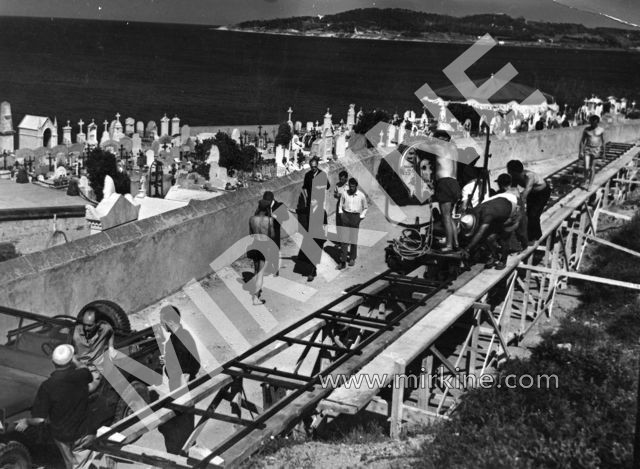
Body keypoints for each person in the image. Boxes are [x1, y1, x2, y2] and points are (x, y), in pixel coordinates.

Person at [16, 344, 96, 469]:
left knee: (70, 463)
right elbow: (85, 369)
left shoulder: (47, 386)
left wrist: (26, 421)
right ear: (70, 361)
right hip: (83, 432)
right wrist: (75, 360)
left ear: (53, 362)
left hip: (62, 436)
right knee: (81, 465)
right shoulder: (81, 376)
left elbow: (40, 420)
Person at [157, 305, 201, 455]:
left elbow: (185, 373)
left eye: (162, 323)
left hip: (181, 393)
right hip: (188, 392)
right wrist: (168, 360)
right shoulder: (186, 335)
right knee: (185, 433)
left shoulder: (175, 343)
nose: (162, 326)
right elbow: (194, 363)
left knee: (176, 437)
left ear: (169, 322)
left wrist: (180, 399)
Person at [459, 176, 521, 270]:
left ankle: (503, 260)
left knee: (504, 237)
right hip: (499, 208)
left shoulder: (487, 214)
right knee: (489, 238)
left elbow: (480, 232)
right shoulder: (474, 211)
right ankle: (494, 255)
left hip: (512, 211)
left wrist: (467, 248)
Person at [507, 159, 551, 242]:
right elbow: (513, 190)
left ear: (515, 171)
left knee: (534, 215)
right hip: (532, 193)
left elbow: (525, 193)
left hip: (542, 193)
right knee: (529, 214)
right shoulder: (515, 176)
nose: (509, 173)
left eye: (510, 171)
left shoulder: (529, 176)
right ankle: (531, 234)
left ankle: (535, 237)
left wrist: (517, 209)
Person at [432, 130, 461, 253]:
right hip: (454, 183)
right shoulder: (453, 148)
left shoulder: (439, 147)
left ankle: (449, 245)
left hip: (444, 183)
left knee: (445, 217)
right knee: (449, 217)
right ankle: (455, 243)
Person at [73, 308, 115, 393]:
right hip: (79, 365)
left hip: (95, 367)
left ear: (98, 323)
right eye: (84, 324)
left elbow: (111, 332)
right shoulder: (76, 331)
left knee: (88, 389)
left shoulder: (105, 328)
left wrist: (111, 347)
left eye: (89, 325)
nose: (86, 328)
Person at [248, 199, 277, 305]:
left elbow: (251, 234)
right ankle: (256, 298)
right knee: (260, 274)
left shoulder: (252, 219)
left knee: (256, 271)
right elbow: (272, 235)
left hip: (255, 245)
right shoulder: (269, 220)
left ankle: (257, 289)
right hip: (265, 246)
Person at [337, 178, 368, 269]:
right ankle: (343, 261)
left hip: (355, 217)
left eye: (353, 186)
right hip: (345, 216)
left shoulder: (361, 195)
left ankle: (352, 258)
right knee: (344, 240)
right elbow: (340, 204)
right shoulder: (344, 193)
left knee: (353, 239)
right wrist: (341, 214)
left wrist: (361, 217)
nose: (351, 188)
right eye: (350, 186)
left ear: (356, 186)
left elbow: (365, 207)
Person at [299, 196, 327, 282]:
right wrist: (287, 209)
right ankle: (313, 270)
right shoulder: (309, 209)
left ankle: (311, 273)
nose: (311, 202)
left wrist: (325, 235)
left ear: (317, 201)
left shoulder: (322, 211)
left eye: (313, 200)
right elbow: (298, 211)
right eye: (310, 200)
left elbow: (325, 224)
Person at [260, 191, 288, 276]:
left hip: (275, 232)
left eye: (267, 201)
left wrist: (277, 217)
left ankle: (276, 269)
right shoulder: (265, 206)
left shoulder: (280, 206)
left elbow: (286, 217)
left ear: (272, 200)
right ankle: (268, 268)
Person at [579, 115, 605, 187]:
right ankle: (585, 179)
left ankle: (590, 184)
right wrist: (580, 151)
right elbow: (582, 141)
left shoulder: (601, 130)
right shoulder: (587, 129)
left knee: (592, 168)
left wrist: (604, 153)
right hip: (587, 149)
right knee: (586, 167)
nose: (593, 124)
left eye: (595, 122)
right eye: (591, 122)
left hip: (596, 150)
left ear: (597, 122)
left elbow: (603, 141)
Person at [333, 170, 349, 252]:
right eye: (340, 179)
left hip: (346, 207)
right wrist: (337, 195)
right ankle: (339, 241)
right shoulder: (337, 185)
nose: (341, 181)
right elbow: (334, 194)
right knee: (338, 224)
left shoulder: (349, 186)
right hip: (339, 206)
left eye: (342, 179)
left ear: (346, 179)